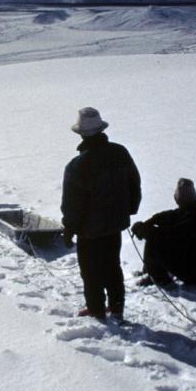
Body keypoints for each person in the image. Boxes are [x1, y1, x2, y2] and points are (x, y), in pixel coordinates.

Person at [61, 107, 141, 321]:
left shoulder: (77, 165)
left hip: (90, 229)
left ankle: (96, 309)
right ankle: (116, 309)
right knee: (112, 266)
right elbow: (134, 183)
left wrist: (69, 229)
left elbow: (72, 204)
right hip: (116, 222)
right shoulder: (120, 152)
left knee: (90, 271)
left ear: (80, 134)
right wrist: (129, 209)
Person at [131, 178, 196, 287]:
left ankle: (159, 278)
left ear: (178, 200)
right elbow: (170, 216)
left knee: (153, 240)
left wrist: (144, 230)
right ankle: (149, 271)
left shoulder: (188, 222)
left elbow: (164, 233)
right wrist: (150, 222)